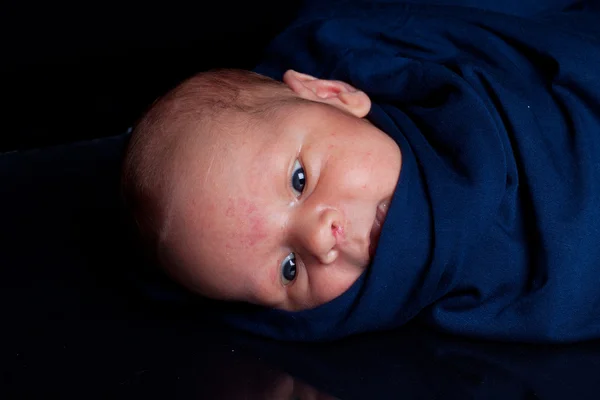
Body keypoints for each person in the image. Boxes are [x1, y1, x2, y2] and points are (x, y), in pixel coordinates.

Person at [122, 0, 600, 342]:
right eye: (289, 270)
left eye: (299, 181)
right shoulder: (366, 305)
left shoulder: (449, 89)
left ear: (334, 95)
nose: (319, 240)